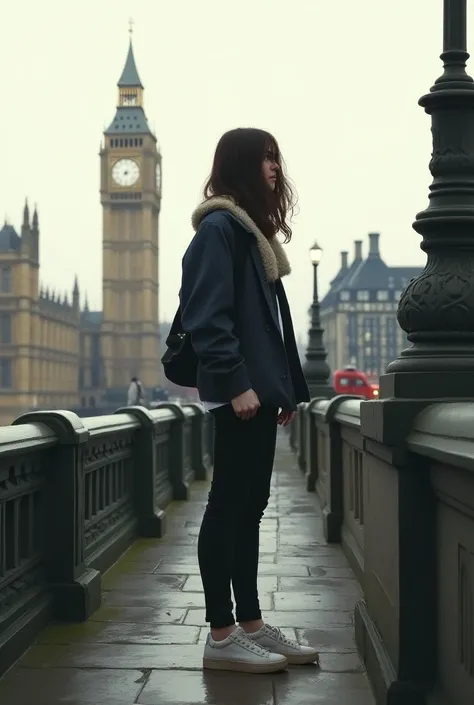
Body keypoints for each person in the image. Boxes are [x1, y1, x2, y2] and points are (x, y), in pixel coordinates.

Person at [180, 128, 318, 674]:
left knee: (249, 510)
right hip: (239, 397)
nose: (274, 168)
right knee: (227, 510)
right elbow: (207, 318)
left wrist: (284, 391)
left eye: (276, 158)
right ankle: (221, 635)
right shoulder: (219, 230)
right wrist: (237, 383)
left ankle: (253, 624)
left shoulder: (252, 235)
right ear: (240, 165)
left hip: (259, 397)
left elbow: (271, 329)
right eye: (265, 158)